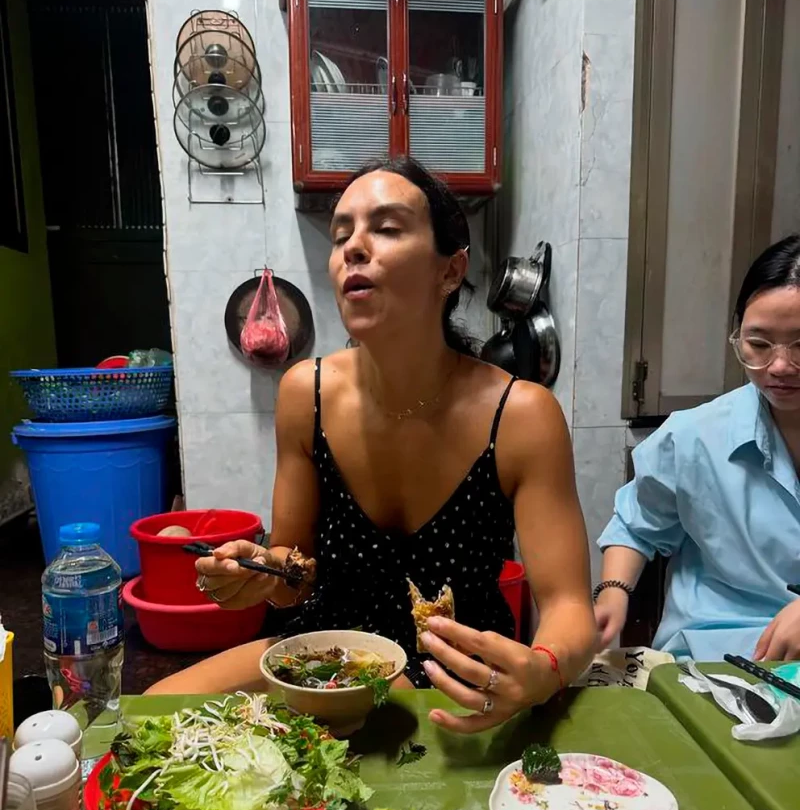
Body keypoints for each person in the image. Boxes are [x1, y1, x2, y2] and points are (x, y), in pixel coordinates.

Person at [147, 157, 597, 731]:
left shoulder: (521, 415)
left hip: (458, 676)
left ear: (450, 271)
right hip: (323, 660)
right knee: (152, 712)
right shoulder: (303, 394)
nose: (353, 248)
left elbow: (568, 609)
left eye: (386, 228)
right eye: (342, 235)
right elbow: (295, 578)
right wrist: (261, 573)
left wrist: (544, 669)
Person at [595, 234, 800, 662]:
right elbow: (636, 523)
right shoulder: (695, 435)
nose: (778, 366)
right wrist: (612, 596)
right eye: (758, 344)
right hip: (710, 661)